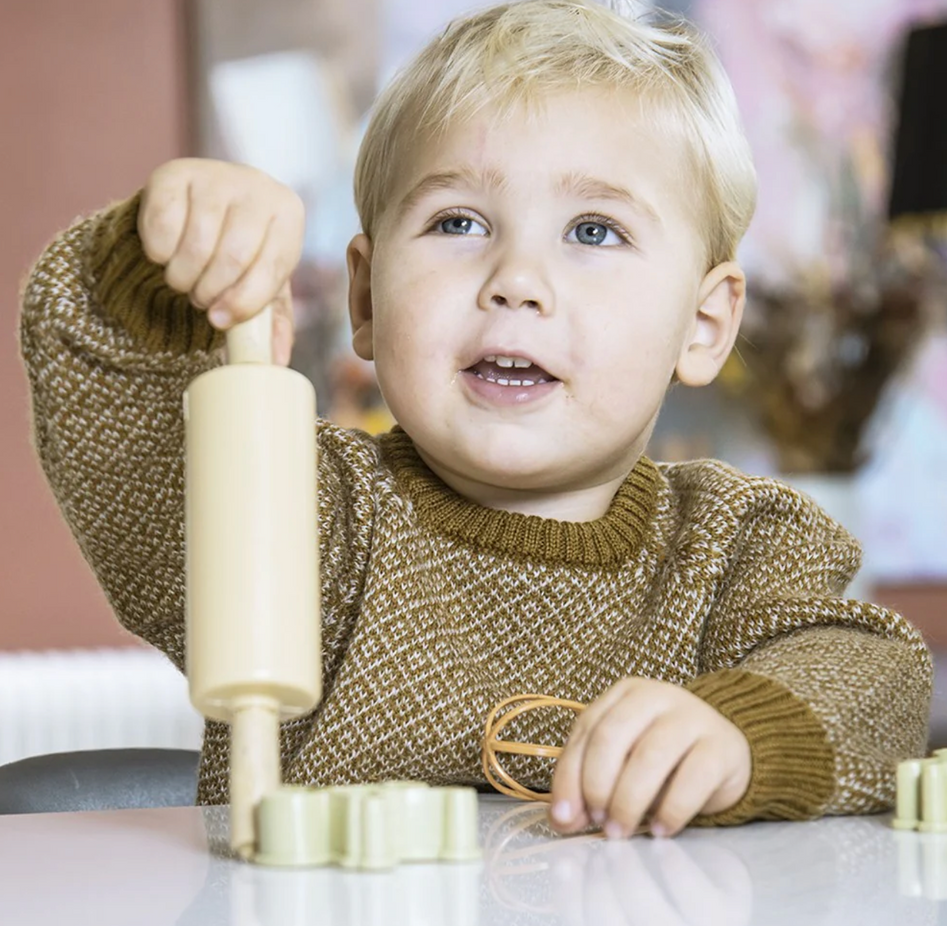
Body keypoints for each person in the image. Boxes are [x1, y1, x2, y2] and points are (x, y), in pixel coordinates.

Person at [19, 0, 931, 841]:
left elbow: (881, 683)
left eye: (593, 232)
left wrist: (740, 732)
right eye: (458, 222)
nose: (516, 279)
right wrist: (161, 266)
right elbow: (125, 437)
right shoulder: (300, 515)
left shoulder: (742, 549)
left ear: (702, 326)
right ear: (368, 297)